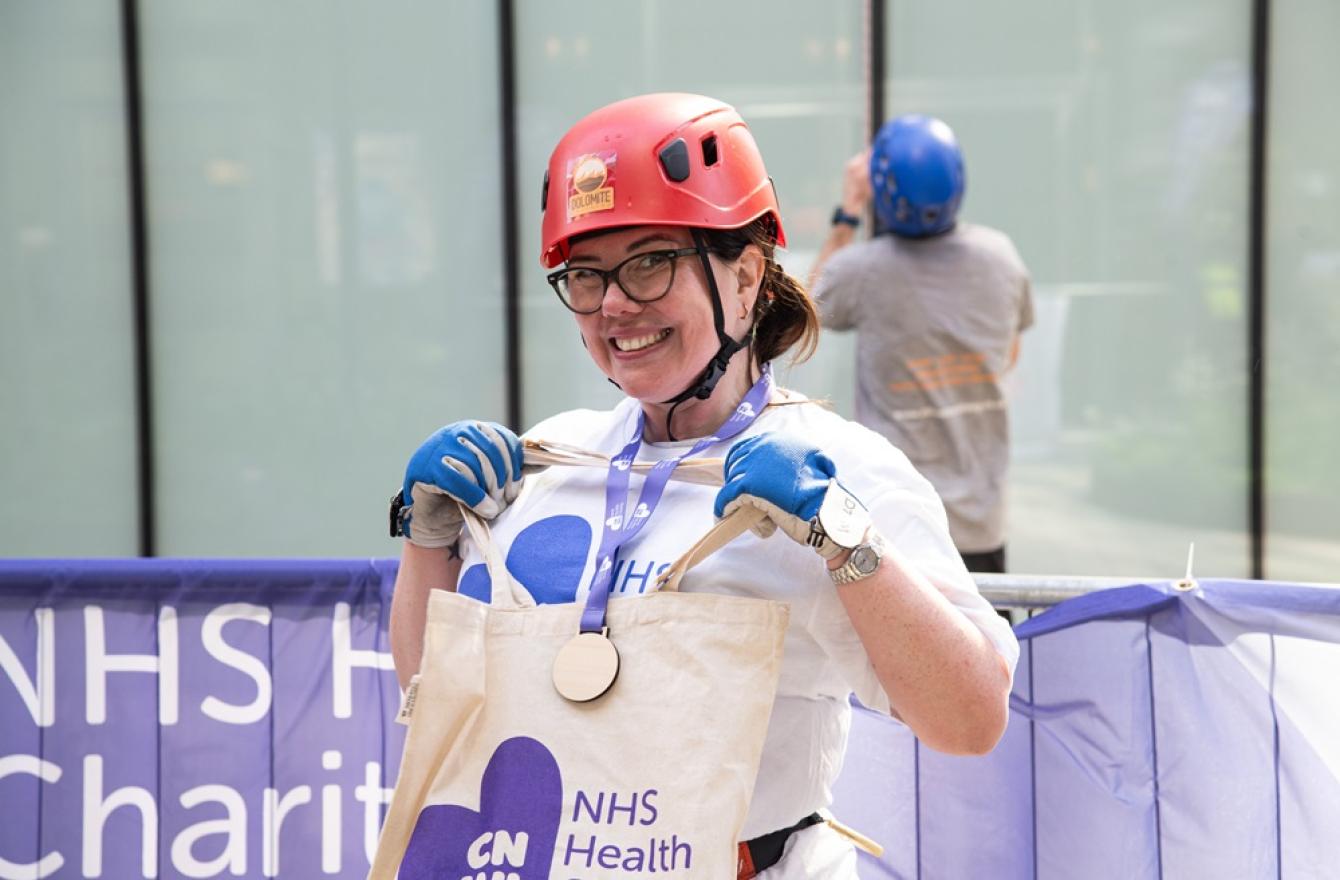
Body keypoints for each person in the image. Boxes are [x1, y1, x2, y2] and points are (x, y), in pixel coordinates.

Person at [387, 94, 1017, 879]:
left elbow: (971, 718)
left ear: (746, 278)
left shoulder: (837, 469)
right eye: (584, 275)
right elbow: (429, 698)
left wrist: (842, 535)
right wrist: (428, 540)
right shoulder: (547, 464)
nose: (615, 303)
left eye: (649, 262)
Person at [810, 115, 1034, 574]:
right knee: (984, 643)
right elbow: (1010, 355)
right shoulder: (1001, 257)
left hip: (898, 525)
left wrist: (848, 211)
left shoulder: (863, 270)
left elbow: (803, 308)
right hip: (980, 526)